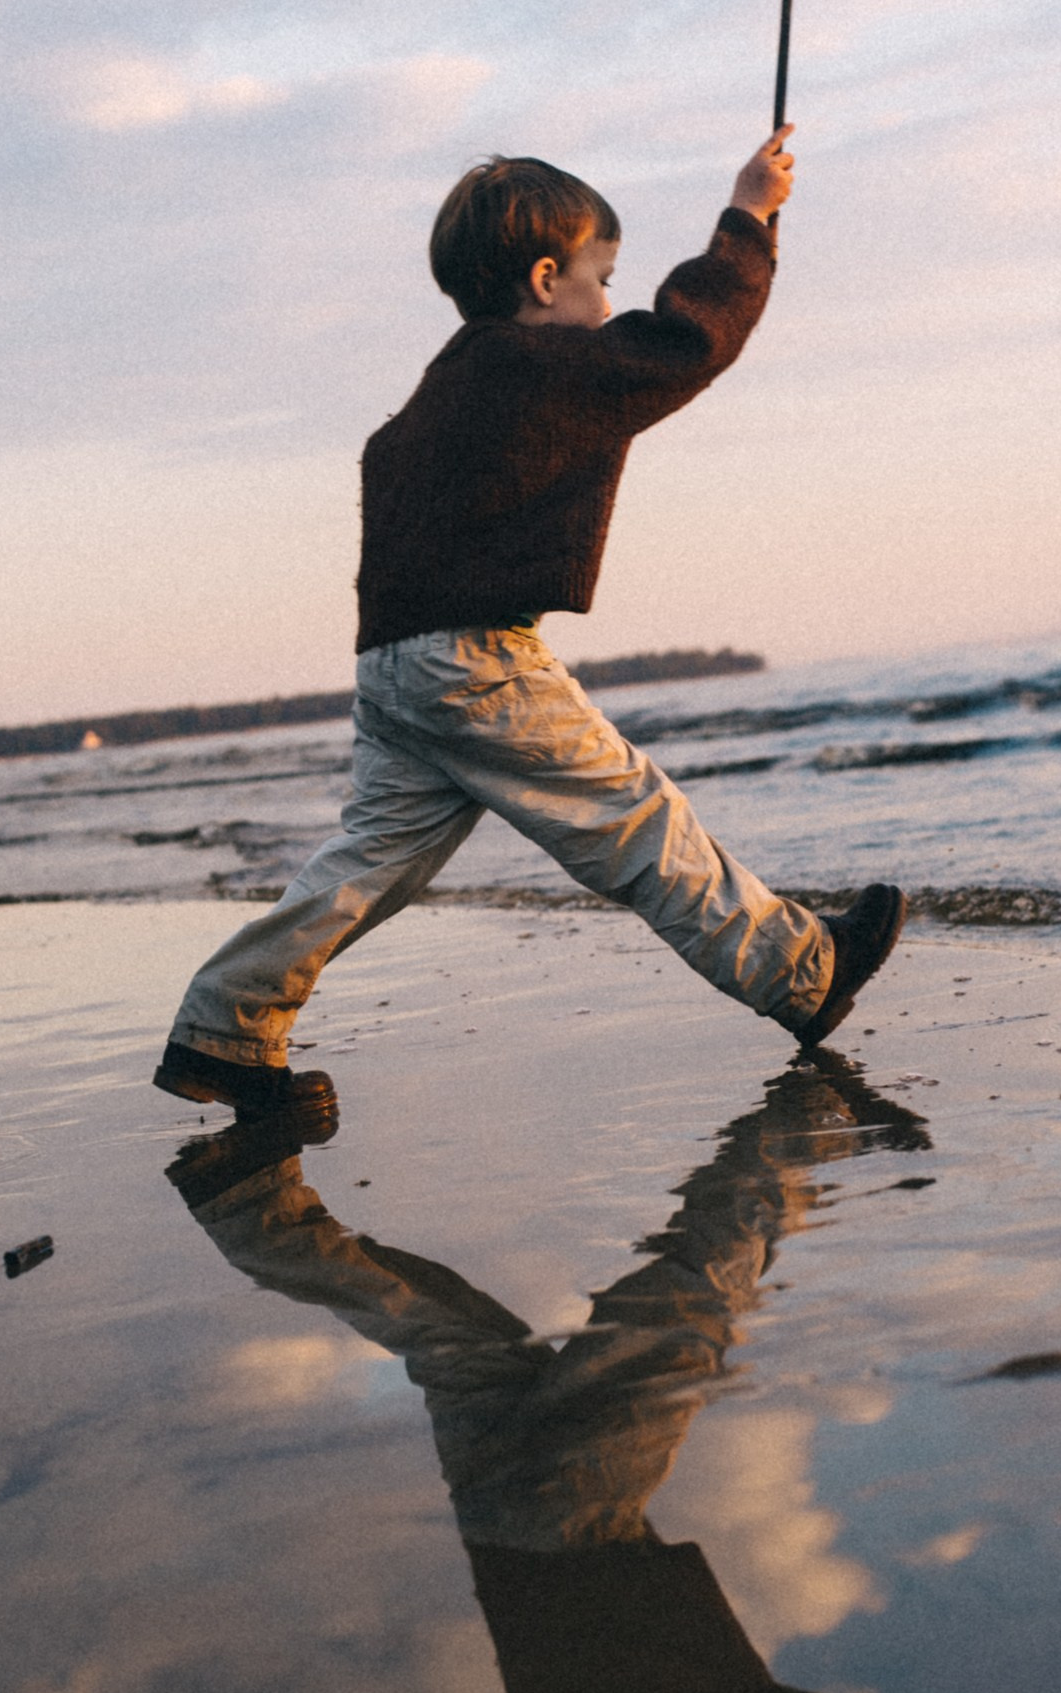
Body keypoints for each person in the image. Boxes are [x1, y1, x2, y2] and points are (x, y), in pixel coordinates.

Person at [155, 129, 903, 1130]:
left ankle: (222, 1026)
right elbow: (687, 342)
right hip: (472, 659)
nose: (606, 307)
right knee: (634, 817)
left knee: (366, 863)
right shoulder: (531, 365)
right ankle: (800, 970)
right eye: (601, 279)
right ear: (545, 277)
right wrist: (747, 220)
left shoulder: (441, 389)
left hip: (393, 665)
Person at [168, 1054, 982, 1693]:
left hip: (574, 1513)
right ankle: (249, 1211)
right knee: (436, 1325)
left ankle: (814, 1111)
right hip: (492, 1516)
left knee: (695, 1300)